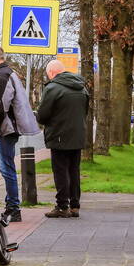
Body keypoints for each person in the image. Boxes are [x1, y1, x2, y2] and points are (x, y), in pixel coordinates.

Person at [0, 46, 40, 223]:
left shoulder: (1, 75)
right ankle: (11, 205)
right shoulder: (7, 73)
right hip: (8, 127)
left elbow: (0, 105)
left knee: (6, 168)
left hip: (5, 129)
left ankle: (13, 208)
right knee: (5, 167)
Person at [36, 59, 90, 218]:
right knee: (74, 171)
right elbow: (85, 111)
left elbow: (43, 115)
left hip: (59, 136)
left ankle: (62, 206)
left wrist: (42, 119)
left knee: (60, 172)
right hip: (77, 136)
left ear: (52, 73)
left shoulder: (52, 88)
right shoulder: (82, 88)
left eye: (48, 74)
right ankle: (75, 206)